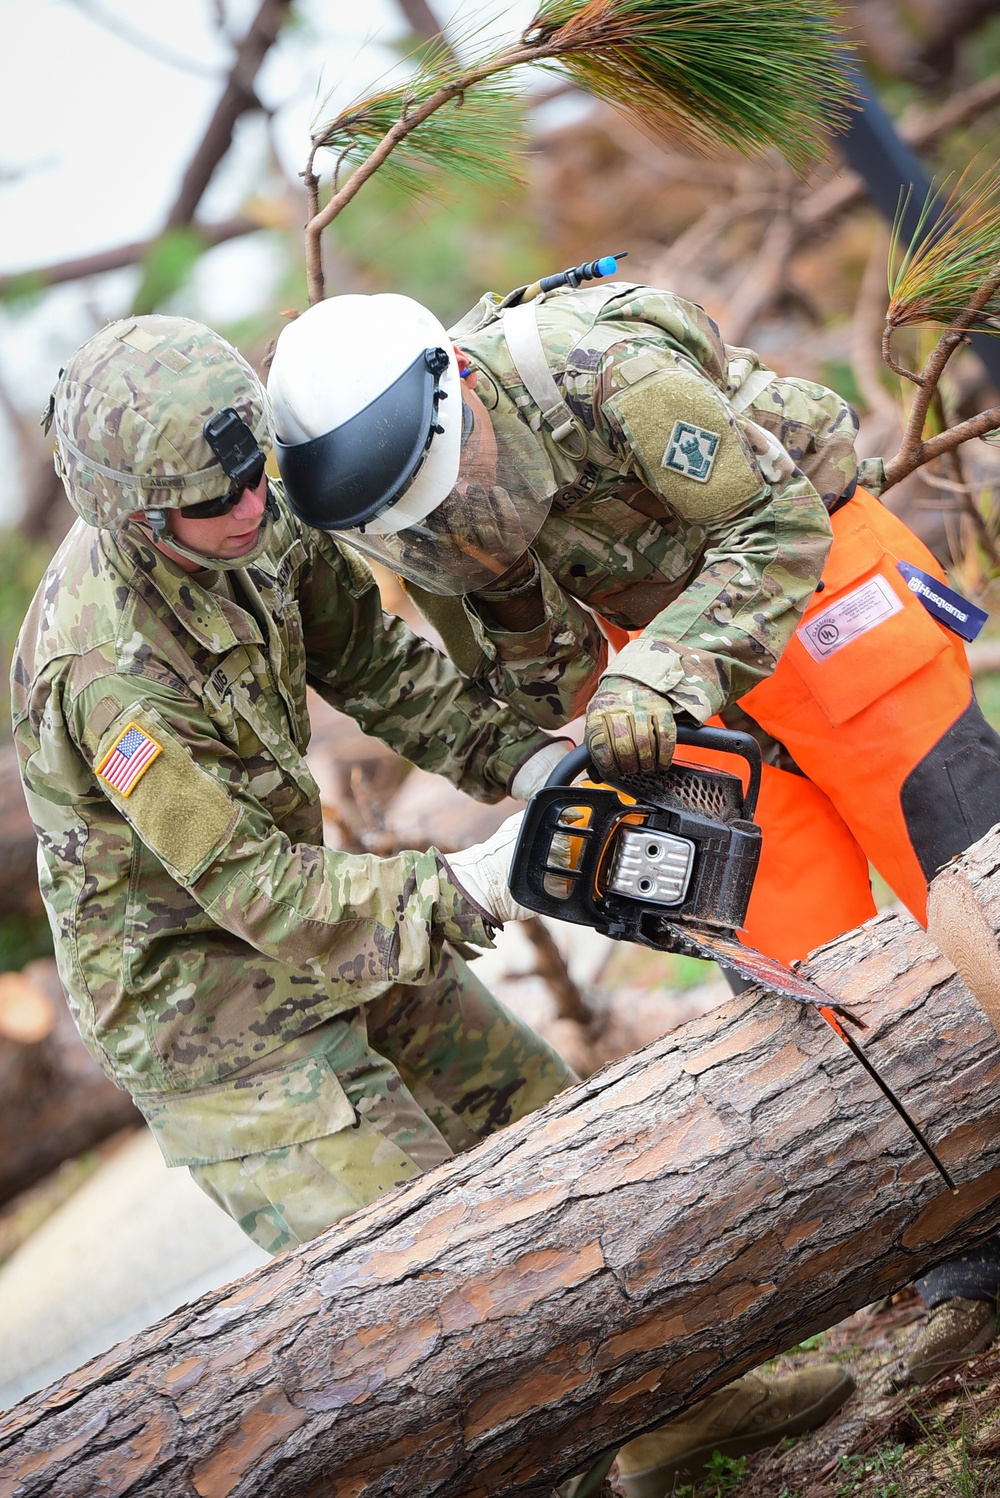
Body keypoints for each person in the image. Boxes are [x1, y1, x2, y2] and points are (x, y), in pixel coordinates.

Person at [12, 310, 851, 1496]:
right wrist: (467, 879)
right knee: (425, 1288)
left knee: (549, 1145)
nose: (253, 508)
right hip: (210, 1020)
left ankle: (676, 1412)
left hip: (336, 931)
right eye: (216, 502)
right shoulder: (107, 676)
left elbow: (380, 671)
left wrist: (523, 768)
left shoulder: (255, 518)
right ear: (142, 521)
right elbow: (254, 888)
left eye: (257, 471)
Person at [266, 278, 1000, 1480]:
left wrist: (658, 675)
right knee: (804, 971)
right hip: (663, 669)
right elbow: (531, 687)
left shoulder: (595, 366)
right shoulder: (424, 532)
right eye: (416, 533)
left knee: (956, 856)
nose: (446, 537)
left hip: (804, 581)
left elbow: (774, 527)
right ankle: (966, 1232)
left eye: (448, 506)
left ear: (459, 400)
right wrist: (576, 751)